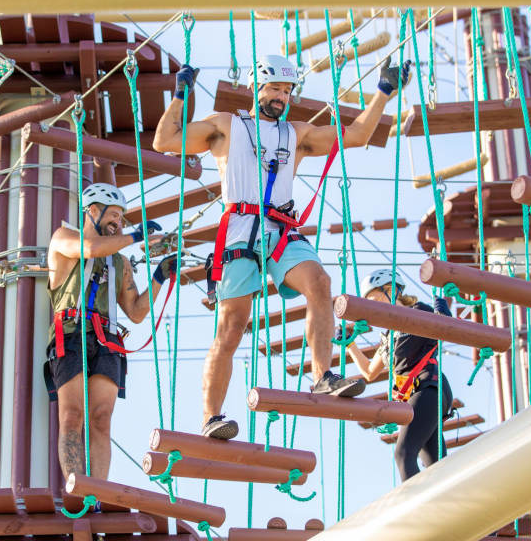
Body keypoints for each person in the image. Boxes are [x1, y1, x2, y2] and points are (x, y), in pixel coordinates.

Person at [153, 53, 412, 439]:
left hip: (280, 227)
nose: (281, 96)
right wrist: (179, 96)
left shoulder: (298, 134)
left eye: (287, 90)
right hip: (240, 228)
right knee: (232, 326)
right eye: (274, 88)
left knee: (319, 283)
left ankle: (323, 375)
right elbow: (165, 141)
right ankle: (211, 416)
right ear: (257, 88)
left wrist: (384, 91)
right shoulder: (226, 125)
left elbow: (356, 134)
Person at [45, 182, 179, 480]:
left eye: (121, 217)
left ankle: (97, 489)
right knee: (71, 416)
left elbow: (136, 311)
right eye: (113, 215)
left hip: (107, 340)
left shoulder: (120, 263)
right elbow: (90, 248)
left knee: (101, 419)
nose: (118, 223)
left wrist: (159, 276)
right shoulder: (64, 238)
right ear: (92, 211)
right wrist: (136, 235)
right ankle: (75, 483)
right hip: (71, 334)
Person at [343, 268, 456, 481]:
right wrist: (350, 345)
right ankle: (449, 504)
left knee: (403, 453)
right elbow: (369, 372)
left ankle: (417, 509)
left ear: (392, 291)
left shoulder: (417, 310)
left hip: (428, 388)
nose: (373, 308)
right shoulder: (388, 337)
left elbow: (443, 328)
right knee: (435, 465)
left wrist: (442, 313)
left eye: (375, 299)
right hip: (418, 395)